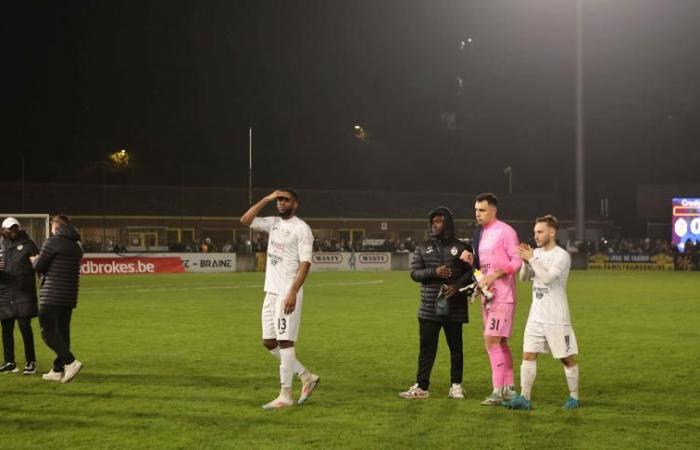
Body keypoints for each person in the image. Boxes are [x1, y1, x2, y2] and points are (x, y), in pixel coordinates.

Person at [240, 188, 320, 409]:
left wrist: (293, 291)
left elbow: (305, 263)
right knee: (269, 342)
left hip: (288, 291)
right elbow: (245, 220)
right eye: (279, 200)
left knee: (285, 341)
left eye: (286, 200)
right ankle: (306, 376)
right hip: (271, 292)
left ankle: (285, 395)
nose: (281, 203)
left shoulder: (302, 229)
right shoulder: (273, 222)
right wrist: (267, 198)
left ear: (295, 204)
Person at [504, 215, 580, 410]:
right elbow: (523, 278)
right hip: (536, 315)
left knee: (566, 358)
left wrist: (532, 258)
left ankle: (574, 397)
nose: (535, 235)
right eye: (535, 232)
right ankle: (525, 398)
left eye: (540, 232)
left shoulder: (561, 256)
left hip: (556, 317)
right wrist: (526, 262)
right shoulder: (535, 253)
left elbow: (546, 278)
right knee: (528, 356)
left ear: (551, 232)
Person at [399, 207, 475, 400]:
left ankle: (456, 385)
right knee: (426, 349)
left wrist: (457, 287)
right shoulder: (422, 247)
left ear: (448, 223)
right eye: (432, 221)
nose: (435, 224)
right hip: (429, 308)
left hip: (455, 307)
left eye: (439, 221)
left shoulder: (462, 247)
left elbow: (471, 272)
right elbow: (415, 273)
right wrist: (434, 272)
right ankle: (421, 386)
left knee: (456, 348)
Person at [461, 193, 522, 405]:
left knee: (491, 341)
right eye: (476, 210)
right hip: (487, 297)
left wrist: (495, 275)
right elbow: (481, 269)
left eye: (482, 210)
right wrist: (471, 262)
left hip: (503, 296)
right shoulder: (479, 234)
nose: (477, 214)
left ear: (493, 210)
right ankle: (510, 389)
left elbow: (517, 262)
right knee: (501, 342)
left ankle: (497, 392)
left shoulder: (506, 232)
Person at [31, 214, 84, 383]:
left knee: (47, 332)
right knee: (62, 333)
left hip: (52, 294)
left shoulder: (53, 242)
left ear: (56, 226)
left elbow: (39, 266)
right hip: (69, 296)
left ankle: (70, 362)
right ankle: (57, 369)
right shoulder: (76, 245)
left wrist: (34, 260)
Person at [0, 217, 39, 374]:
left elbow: (38, 263)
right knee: (6, 329)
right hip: (4, 293)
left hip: (24, 293)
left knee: (25, 327)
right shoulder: (0, 245)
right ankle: (10, 362)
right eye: (9, 228)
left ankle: (31, 362)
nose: (13, 230)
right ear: (3, 230)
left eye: (15, 227)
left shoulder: (29, 245)